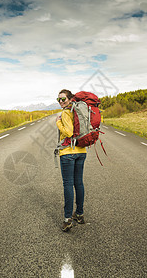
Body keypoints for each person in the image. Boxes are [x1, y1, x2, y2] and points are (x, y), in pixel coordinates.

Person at [56, 89, 87, 232]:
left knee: (68, 184)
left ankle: (68, 219)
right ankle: (79, 214)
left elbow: (68, 132)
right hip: (81, 151)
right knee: (78, 182)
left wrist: (58, 123)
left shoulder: (66, 113)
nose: (61, 102)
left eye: (63, 99)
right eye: (59, 100)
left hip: (68, 153)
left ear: (70, 99)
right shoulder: (79, 111)